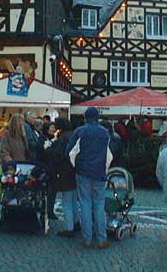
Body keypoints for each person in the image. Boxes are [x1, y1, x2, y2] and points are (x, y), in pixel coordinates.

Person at [67, 107, 112, 249]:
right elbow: (109, 155)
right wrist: (104, 170)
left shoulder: (80, 131)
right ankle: (102, 238)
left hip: (83, 172)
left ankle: (87, 238)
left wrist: (76, 166)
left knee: (85, 204)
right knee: (99, 205)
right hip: (99, 172)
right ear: (97, 117)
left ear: (85, 117)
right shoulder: (105, 133)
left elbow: (70, 151)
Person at [48, 118, 80, 237]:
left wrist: (49, 150)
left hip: (64, 172)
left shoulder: (62, 138)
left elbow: (58, 155)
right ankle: (76, 222)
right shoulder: (73, 135)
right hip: (74, 171)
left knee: (66, 200)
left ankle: (69, 227)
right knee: (73, 199)